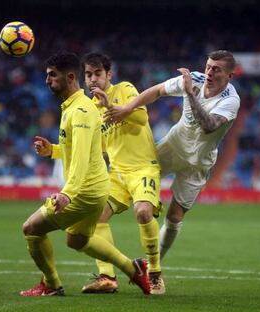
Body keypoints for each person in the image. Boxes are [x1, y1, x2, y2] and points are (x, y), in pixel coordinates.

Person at [20, 52, 150, 296]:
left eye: (52, 76)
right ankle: (134, 269)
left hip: (84, 192)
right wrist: (52, 151)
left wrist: (68, 193)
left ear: (70, 77)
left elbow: (80, 159)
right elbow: (85, 150)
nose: (47, 80)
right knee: (76, 240)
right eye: (46, 76)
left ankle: (51, 284)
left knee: (31, 229)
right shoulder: (77, 107)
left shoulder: (79, 111)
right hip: (96, 189)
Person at [105, 50, 240, 260]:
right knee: (137, 178)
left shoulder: (231, 100)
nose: (210, 73)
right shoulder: (194, 78)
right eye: (208, 67)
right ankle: (108, 215)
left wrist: (190, 94)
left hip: (199, 162)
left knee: (175, 217)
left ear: (230, 76)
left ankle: (153, 264)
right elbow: (158, 90)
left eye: (217, 69)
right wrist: (127, 108)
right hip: (172, 147)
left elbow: (208, 126)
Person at [80, 52, 164, 295]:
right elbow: (101, 149)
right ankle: (107, 277)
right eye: (88, 74)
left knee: (143, 211)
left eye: (98, 73)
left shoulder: (124, 88)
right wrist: (53, 150)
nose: (93, 79)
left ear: (109, 74)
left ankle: (155, 272)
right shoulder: (89, 110)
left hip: (142, 168)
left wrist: (111, 105)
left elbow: (141, 117)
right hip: (117, 173)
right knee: (95, 217)